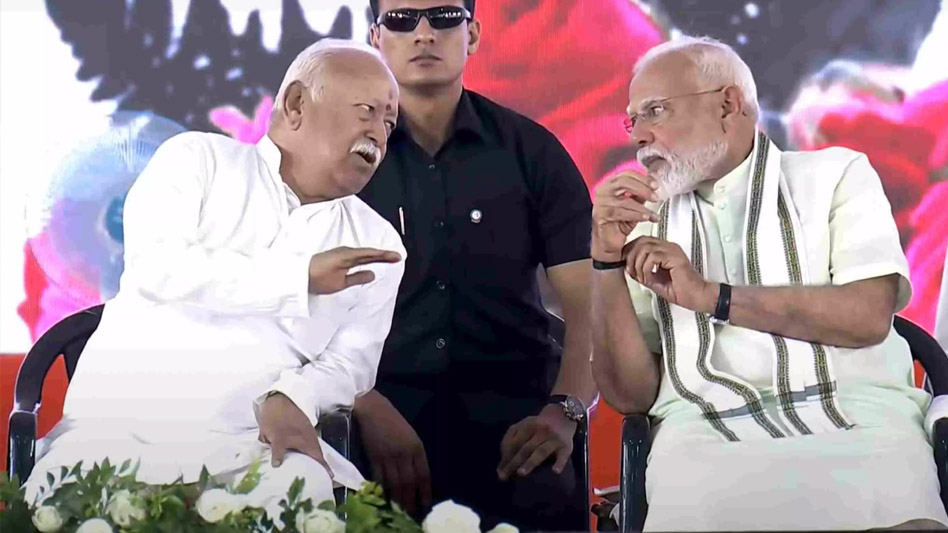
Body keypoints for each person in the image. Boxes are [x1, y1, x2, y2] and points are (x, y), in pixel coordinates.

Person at [24, 39, 406, 519]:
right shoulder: (197, 159)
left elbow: (352, 361)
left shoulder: (377, 240)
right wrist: (298, 277)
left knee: (302, 489)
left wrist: (295, 396)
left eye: (389, 123)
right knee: (57, 502)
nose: (378, 134)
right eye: (366, 111)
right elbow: (158, 265)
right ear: (296, 104)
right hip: (119, 432)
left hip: (251, 444)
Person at [590, 35, 948, 530]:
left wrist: (711, 297)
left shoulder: (836, 175)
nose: (639, 136)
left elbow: (868, 316)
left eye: (655, 111)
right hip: (703, 441)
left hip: (860, 422)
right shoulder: (643, 223)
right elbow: (630, 397)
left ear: (727, 105)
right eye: (633, 120)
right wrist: (605, 263)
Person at [353, 0, 596, 529]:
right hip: (381, 418)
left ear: (474, 34)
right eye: (401, 20)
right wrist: (363, 404)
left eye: (443, 17)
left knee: (546, 484)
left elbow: (590, 308)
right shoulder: (345, 158)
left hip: (518, 426)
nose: (423, 33)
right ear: (375, 37)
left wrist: (564, 412)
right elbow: (303, 311)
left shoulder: (532, 152)